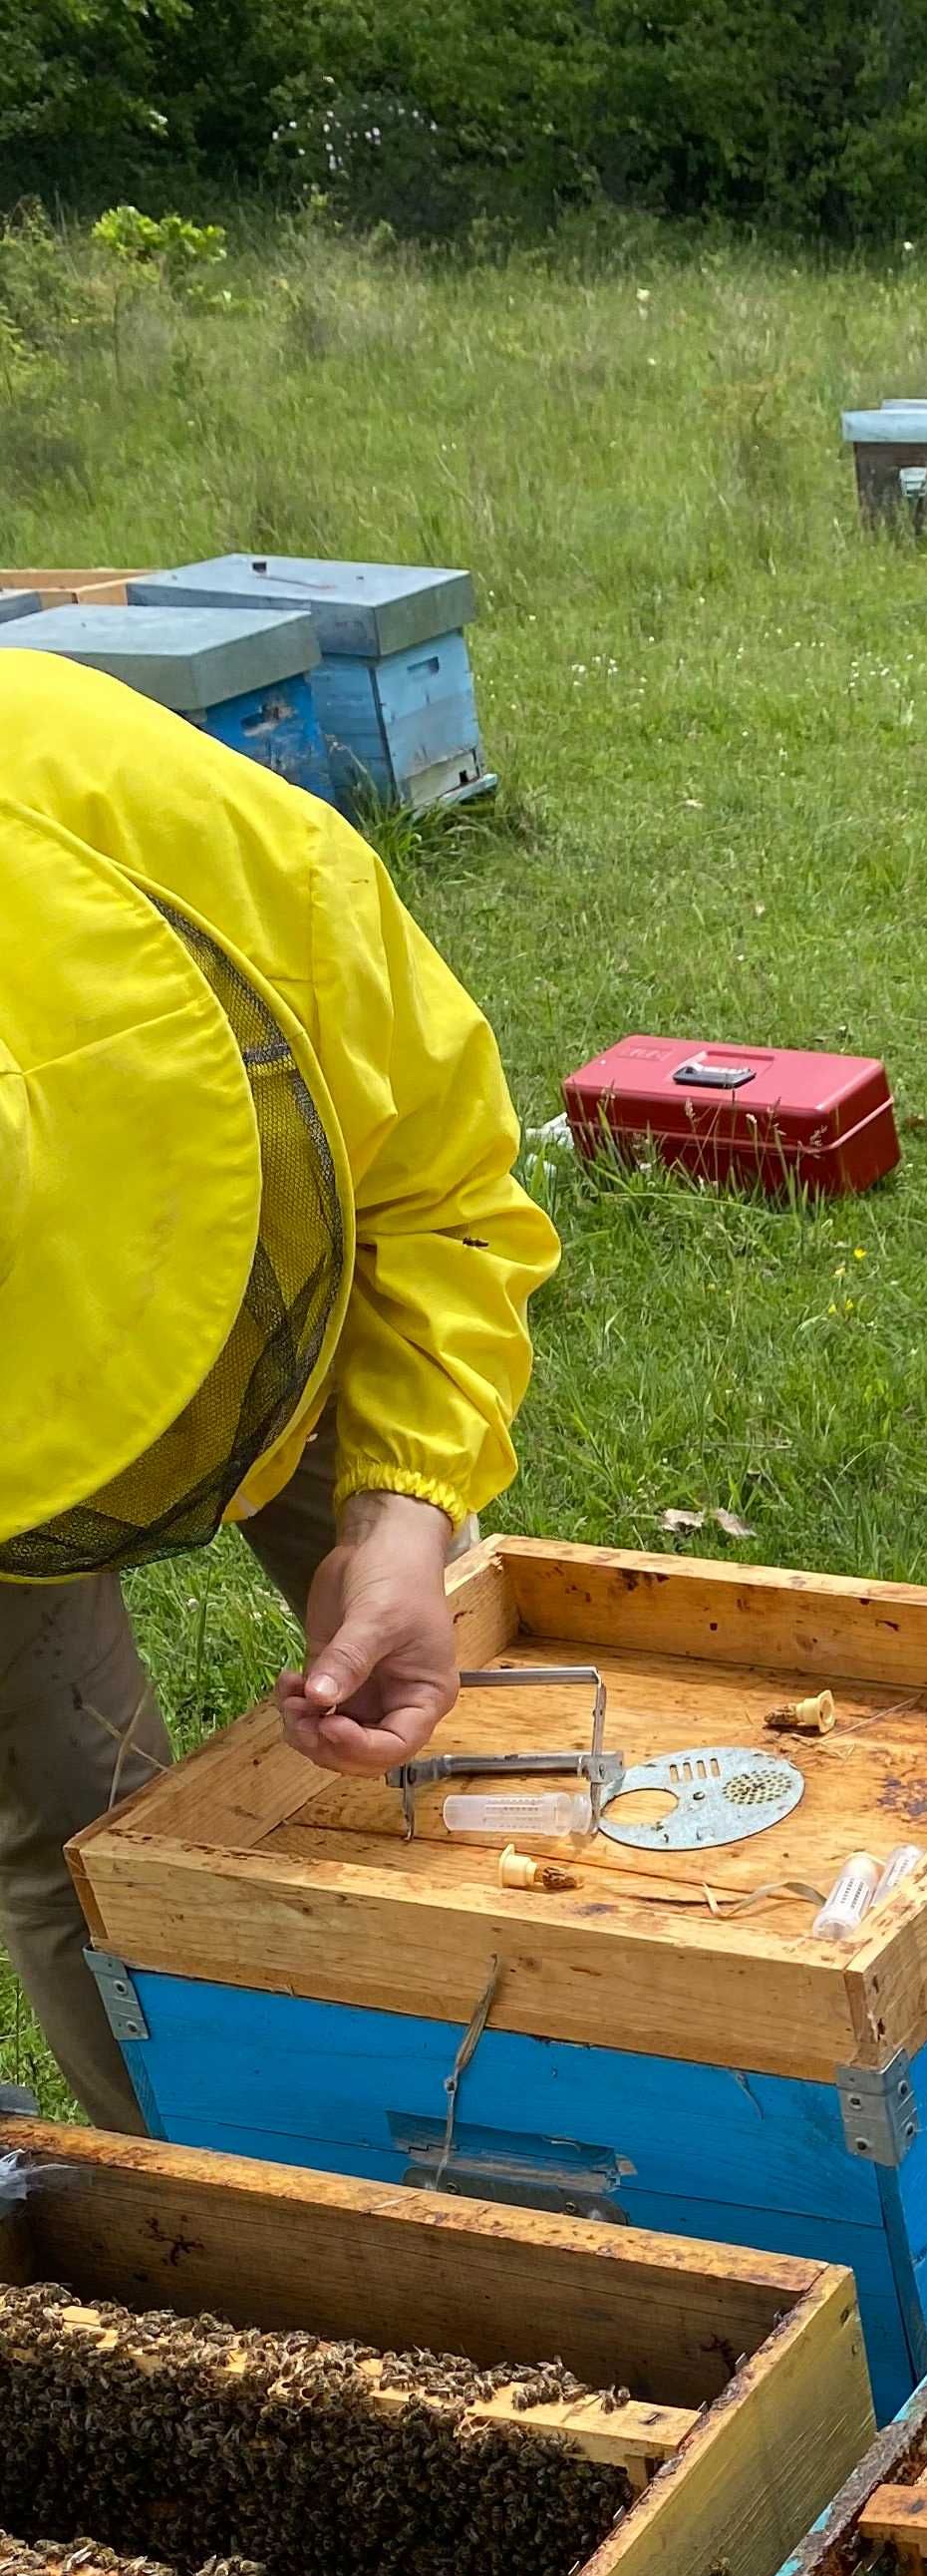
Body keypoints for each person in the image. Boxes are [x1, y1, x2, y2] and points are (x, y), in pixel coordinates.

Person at [0, 643, 557, 2129]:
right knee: (69, 1831)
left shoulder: (245, 862)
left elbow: (438, 1197)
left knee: (432, 1684)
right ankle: (204, 2205)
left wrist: (402, 1511)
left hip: (290, 1319)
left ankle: (554, 2046)